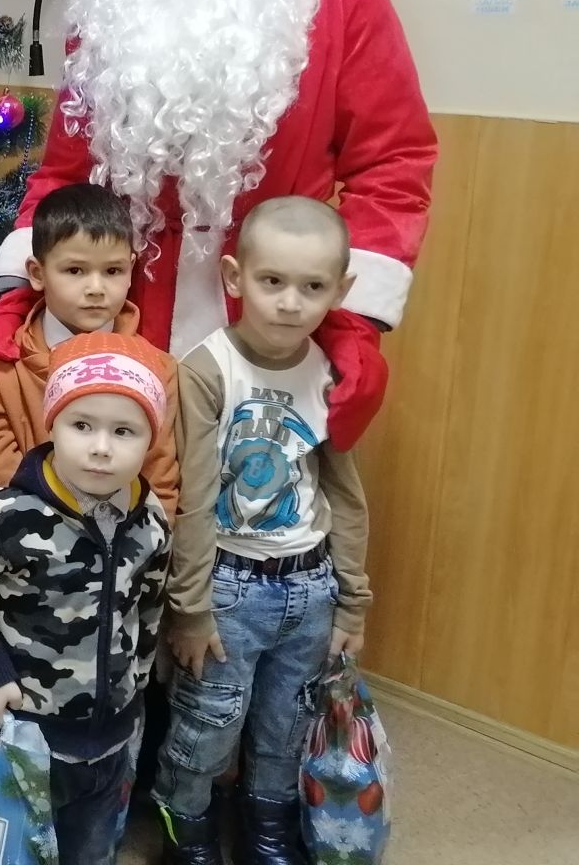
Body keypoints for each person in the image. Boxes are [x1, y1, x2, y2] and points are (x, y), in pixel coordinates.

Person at [0, 0, 436, 454]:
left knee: (257, 504)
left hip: (271, 319)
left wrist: (349, 315)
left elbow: (393, 164)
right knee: (126, 499)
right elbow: (68, 176)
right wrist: (21, 288)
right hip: (125, 317)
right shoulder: (109, 8)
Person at [154, 198, 372, 865]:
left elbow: (345, 493)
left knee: (289, 721)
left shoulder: (330, 373)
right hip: (229, 588)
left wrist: (352, 602)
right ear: (234, 277)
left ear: (340, 290)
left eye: (312, 286)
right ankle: (187, 829)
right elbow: (192, 498)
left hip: (310, 586)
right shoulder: (206, 369)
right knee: (208, 721)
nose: (289, 303)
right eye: (271, 281)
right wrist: (189, 608)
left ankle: (267, 828)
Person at [0, 332, 173, 865]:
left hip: (112, 734)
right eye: (81, 425)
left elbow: (150, 602)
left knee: (91, 848)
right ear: (53, 424)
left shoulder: (150, 519)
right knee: (17, 851)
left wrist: (138, 677)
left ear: (149, 440)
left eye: (124, 431)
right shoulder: (9, 516)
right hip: (28, 732)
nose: (101, 446)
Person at [0, 182, 179, 516]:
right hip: (30, 541)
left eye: (113, 271)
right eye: (75, 270)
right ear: (37, 273)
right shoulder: (5, 365)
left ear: (130, 270)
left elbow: (159, 481)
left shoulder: (158, 369)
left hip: (125, 542)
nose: (96, 288)